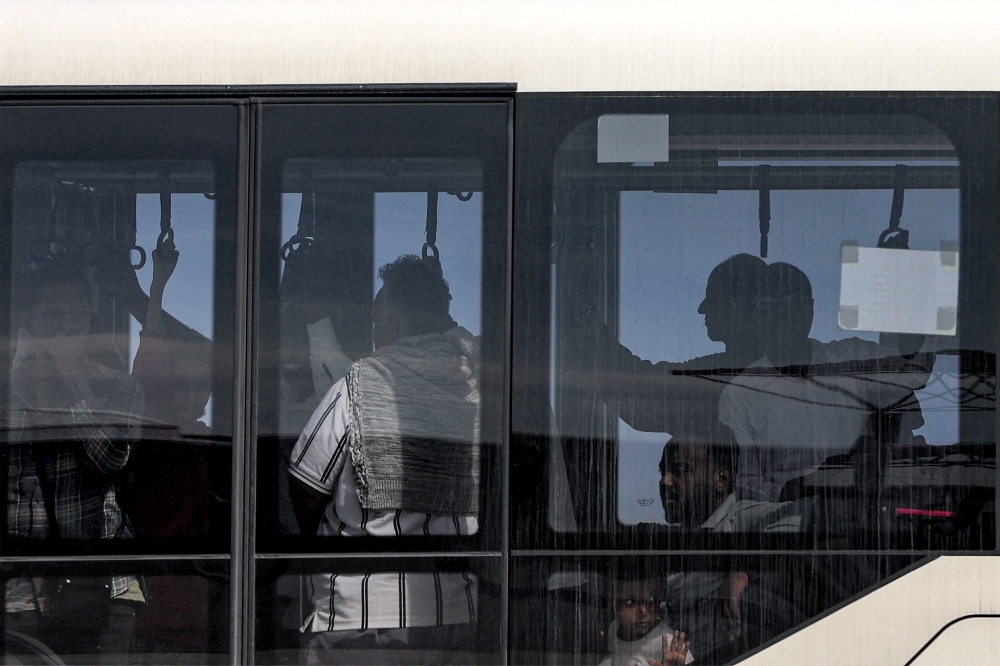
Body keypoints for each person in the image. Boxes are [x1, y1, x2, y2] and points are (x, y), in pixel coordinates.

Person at [288, 255, 480, 665]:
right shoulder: (481, 384)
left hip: (359, 618)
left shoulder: (360, 385)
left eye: (377, 321)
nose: (375, 332)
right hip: (453, 611)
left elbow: (306, 482)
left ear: (392, 323)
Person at [5, 263, 145, 662]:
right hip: (19, 584)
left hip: (100, 583)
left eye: (73, 313)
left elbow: (112, 460)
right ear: (30, 322)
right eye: (51, 315)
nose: (63, 326)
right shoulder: (8, 388)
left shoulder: (119, 386)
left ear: (89, 319)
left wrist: (71, 384)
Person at [719, 262, 933, 502]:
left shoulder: (854, 358)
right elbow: (748, 488)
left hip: (870, 516)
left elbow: (914, 372)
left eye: (794, 301)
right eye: (769, 304)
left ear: (811, 310)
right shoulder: (740, 394)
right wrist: (796, 506)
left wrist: (898, 279)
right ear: (755, 317)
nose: (782, 312)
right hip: (790, 529)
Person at [601, 254, 768, 439]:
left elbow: (642, 396)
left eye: (712, 298)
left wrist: (592, 336)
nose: (702, 308)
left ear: (738, 306)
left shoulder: (728, 375)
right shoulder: (784, 369)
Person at [600, 577, 693, 666]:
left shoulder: (669, 643)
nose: (643, 611)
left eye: (650, 600)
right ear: (614, 603)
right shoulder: (615, 628)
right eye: (630, 602)